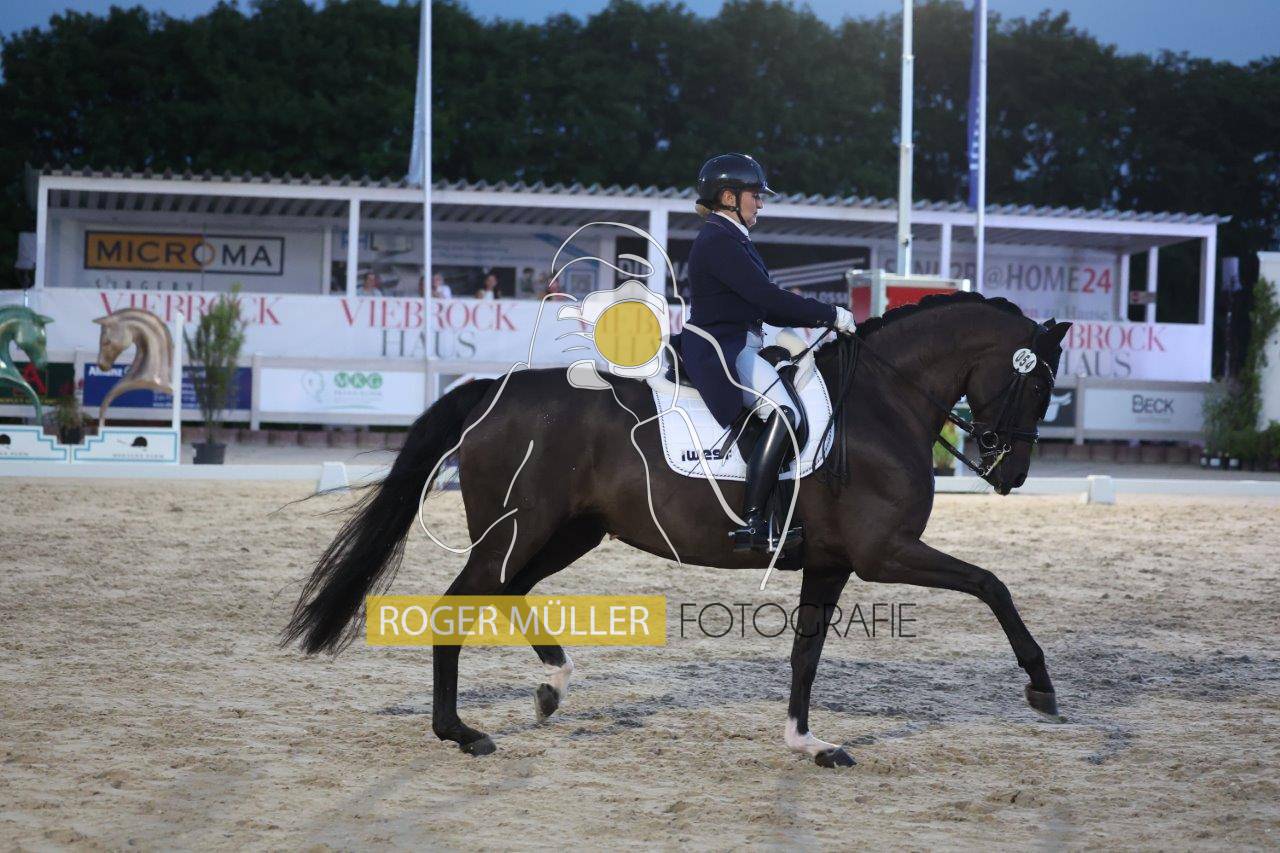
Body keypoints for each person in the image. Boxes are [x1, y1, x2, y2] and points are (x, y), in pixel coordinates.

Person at [680, 153, 858, 554]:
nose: (760, 203)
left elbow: (764, 306)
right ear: (729, 197)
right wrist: (831, 314)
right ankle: (754, 522)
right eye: (754, 195)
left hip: (740, 341)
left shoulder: (731, 237)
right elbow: (767, 298)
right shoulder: (719, 240)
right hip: (722, 348)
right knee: (786, 414)